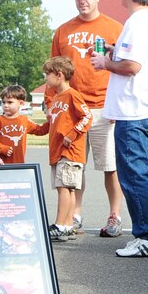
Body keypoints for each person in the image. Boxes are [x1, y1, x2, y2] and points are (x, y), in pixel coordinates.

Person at [91, 0, 148, 257]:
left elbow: (132, 67)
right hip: (145, 109)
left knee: (134, 174)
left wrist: (104, 63)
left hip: (133, 111)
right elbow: (136, 59)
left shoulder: (137, 22)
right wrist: (113, 50)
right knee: (146, 174)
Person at [46, 0, 125, 237]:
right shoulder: (64, 30)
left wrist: (118, 106)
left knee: (110, 166)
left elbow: (124, 69)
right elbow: (54, 69)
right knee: (74, 165)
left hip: (104, 106)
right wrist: (50, 102)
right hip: (72, 109)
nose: (82, 1)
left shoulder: (114, 28)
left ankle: (114, 215)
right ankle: (74, 215)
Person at [42, 56, 93, 242]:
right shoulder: (55, 98)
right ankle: (68, 226)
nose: (45, 79)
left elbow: (87, 117)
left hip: (70, 152)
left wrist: (72, 135)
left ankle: (60, 224)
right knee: (67, 189)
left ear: (59, 75)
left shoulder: (72, 95)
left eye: (47, 75)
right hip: (57, 151)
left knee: (64, 187)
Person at [0, 84, 48, 164]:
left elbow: (40, 130)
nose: (5, 105)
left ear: (21, 103)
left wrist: (53, 121)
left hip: (19, 164)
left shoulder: (24, 120)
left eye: (10, 102)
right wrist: (2, 148)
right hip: (1, 165)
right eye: (3, 102)